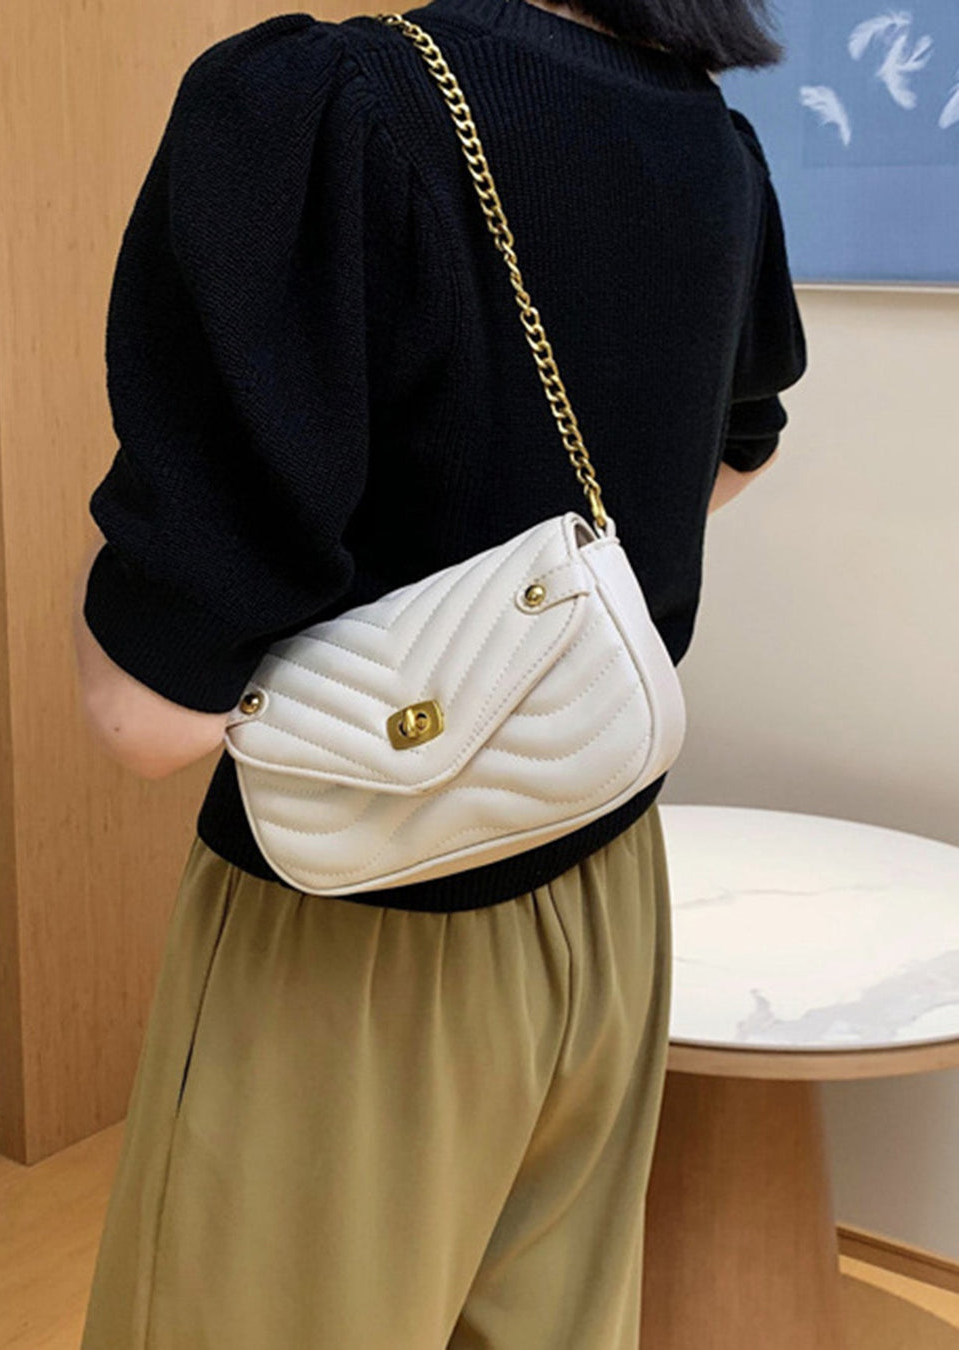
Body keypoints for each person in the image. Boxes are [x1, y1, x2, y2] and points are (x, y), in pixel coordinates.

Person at [73, 0, 807, 1344]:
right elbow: (740, 450)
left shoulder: (341, 108)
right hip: (606, 880)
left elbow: (146, 718)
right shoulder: (712, 146)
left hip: (361, 925)